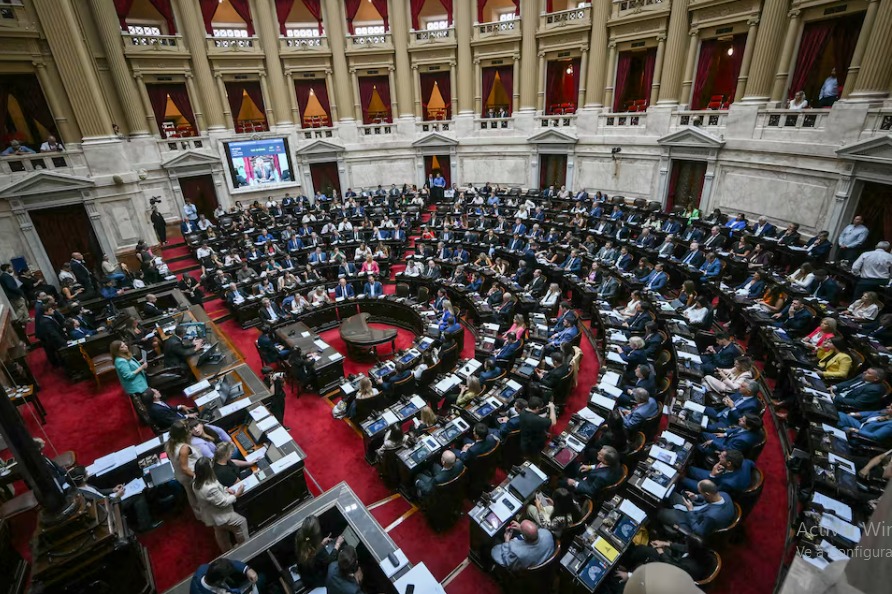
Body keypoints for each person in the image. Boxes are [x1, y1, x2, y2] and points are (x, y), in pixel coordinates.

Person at [193, 457, 249, 552]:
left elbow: (216, 489)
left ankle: (227, 551)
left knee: (221, 532)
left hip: (210, 515)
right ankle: (245, 548)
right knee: (241, 522)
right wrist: (237, 494)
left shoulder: (196, 481)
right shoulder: (209, 487)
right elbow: (223, 503)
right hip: (221, 515)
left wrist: (225, 489)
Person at [656, 479, 735, 538]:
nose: (700, 494)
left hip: (693, 520)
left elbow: (698, 531)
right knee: (671, 495)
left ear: (707, 494)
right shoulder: (724, 494)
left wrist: (690, 511)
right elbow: (707, 497)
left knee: (659, 512)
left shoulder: (711, 516)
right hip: (698, 509)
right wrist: (696, 497)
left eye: (700, 493)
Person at [295, 515, 343, 590]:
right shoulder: (318, 551)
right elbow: (330, 560)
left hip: (307, 576)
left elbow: (312, 549)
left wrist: (321, 544)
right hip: (318, 582)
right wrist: (337, 544)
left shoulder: (301, 539)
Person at [166, 420, 201, 517]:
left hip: (180, 475)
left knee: (191, 494)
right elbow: (185, 468)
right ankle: (203, 515)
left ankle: (198, 514)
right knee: (197, 496)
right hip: (189, 475)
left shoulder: (169, 443)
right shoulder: (184, 448)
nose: (189, 431)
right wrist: (197, 477)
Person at [679, 449, 754, 496]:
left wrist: (712, 475)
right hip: (721, 476)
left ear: (729, 464)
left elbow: (712, 491)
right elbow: (752, 464)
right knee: (690, 469)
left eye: (722, 457)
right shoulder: (745, 462)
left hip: (714, 486)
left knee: (681, 478)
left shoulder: (728, 483)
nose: (719, 456)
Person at [491, 519, 556, 571]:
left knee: (494, 545)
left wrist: (507, 540)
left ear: (524, 537)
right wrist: (521, 529)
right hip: (544, 559)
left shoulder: (517, 553)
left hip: (527, 567)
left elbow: (507, 561)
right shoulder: (547, 533)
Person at [190, 557, 259, 594]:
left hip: (232, 589)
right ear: (219, 582)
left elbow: (228, 564)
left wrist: (247, 570)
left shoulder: (203, 569)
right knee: (261, 580)